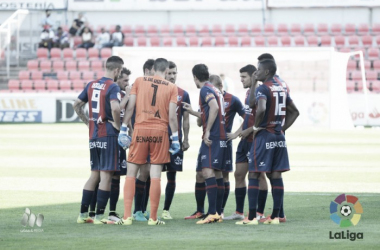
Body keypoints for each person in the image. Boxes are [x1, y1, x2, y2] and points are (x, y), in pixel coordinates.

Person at [237, 58, 299, 225]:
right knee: (275, 174)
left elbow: (260, 107)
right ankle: (277, 216)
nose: (256, 72)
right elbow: (295, 112)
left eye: (258, 69)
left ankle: (251, 218)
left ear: (266, 71)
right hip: (279, 136)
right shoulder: (282, 85)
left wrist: (256, 127)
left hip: (264, 134)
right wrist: (282, 128)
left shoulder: (264, 88)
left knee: (254, 174)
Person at [117, 58, 179, 226]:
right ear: (166, 71)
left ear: (152, 69)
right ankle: (152, 218)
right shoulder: (172, 87)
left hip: (140, 130)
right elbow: (173, 116)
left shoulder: (139, 81)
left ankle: (127, 217)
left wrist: (123, 128)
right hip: (160, 133)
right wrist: (175, 139)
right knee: (156, 175)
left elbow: (130, 107)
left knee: (131, 173)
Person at [74, 56, 124, 225]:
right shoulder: (113, 86)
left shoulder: (91, 84)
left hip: (93, 135)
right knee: (106, 176)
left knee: (94, 174)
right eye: (121, 71)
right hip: (108, 135)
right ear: (116, 70)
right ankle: (99, 216)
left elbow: (76, 105)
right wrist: (117, 126)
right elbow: (116, 107)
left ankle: (82, 214)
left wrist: (87, 121)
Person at [182, 65, 227, 224]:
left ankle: (213, 213)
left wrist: (207, 131)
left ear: (195, 77)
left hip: (212, 136)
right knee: (213, 173)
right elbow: (209, 111)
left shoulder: (205, 90)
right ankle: (216, 212)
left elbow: (213, 107)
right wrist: (193, 111)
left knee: (208, 173)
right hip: (219, 136)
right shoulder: (214, 89)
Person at [223, 65, 268, 222]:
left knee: (259, 175)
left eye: (244, 77)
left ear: (253, 76)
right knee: (238, 174)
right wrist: (237, 133)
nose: (241, 80)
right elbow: (248, 117)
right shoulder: (249, 93)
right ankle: (239, 212)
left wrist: (249, 131)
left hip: (256, 140)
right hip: (244, 141)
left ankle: (260, 212)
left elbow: (262, 119)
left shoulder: (262, 92)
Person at [161, 61, 191, 220]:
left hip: (175, 141)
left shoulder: (183, 94)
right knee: (152, 175)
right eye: (169, 73)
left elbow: (185, 119)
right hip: (158, 139)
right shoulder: (156, 90)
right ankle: (144, 210)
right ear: (164, 73)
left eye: (174, 73)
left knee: (172, 176)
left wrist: (186, 139)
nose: (172, 76)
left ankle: (166, 210)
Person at [213, 75, 245, 217]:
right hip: (211, 142)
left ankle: (220, 211)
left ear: (220, 86)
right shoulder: (209, 98)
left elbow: (247, 117)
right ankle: (206, 210)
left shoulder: (232, 99)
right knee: (207, 174)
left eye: (212, 87)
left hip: (225, 143)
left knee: (224, 176)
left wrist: (236, 133)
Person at [132, 59, 155, 222]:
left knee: (147, 173)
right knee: (143, 172)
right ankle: (137, 210)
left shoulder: (151, 87)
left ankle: (142, 210)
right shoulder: (138, 85)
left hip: (151, 135)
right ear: (147, 71)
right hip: (140, 134)